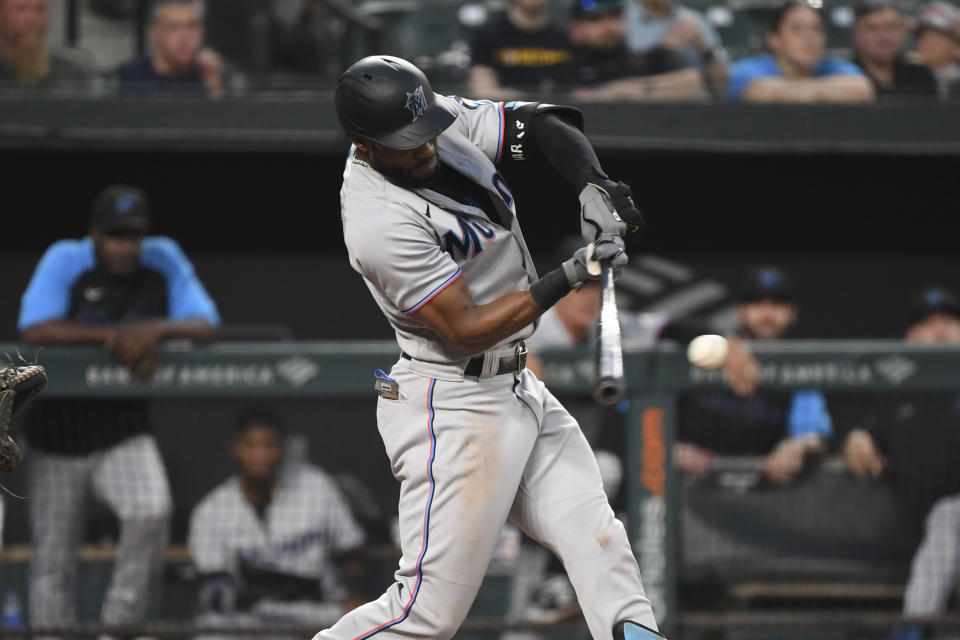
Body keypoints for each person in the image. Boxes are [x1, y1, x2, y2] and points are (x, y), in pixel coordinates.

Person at [326, 55, 666, 640]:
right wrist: (574, 272)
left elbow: (543, 124)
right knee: (424, 616)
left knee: (599, 539)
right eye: (407, 141)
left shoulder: (438, 123)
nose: (426, 145)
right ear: (363, 143)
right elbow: (466, 328)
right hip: (452, 403)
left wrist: (594, 182)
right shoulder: (375, 219)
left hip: (515, 386)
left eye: (426, 128)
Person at [17, 184, 220, 630]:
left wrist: (154, 328)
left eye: (132, 235)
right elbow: (34, 328)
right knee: (53, 557)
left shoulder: (162, 258)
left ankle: (119, 629)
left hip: (123, 433)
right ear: (94, 235)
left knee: (151, 510)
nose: (125, 246)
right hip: (58, 436)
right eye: (114, 235)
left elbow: (206, 324)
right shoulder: (67, 258)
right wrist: (112, 337)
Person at [843, 287, 960, 640]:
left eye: (949, 322)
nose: (939, 332)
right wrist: (858, 436)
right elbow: (867, 430)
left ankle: (912, 630)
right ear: (910, 337)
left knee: (951, 514)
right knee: (947, 520)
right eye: (927, 324)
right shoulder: (898, 394)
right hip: (930, 546)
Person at [189, 408, 367, 630]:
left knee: (355, 623)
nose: (260, 455)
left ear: (281, 448)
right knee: (210, 626)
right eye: (250, 445)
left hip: (315, 611)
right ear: (235, 449)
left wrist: (355, 595)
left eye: (269, 445)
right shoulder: (211, 509)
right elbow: (214, 585)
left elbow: (351, 549)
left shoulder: (315, 486)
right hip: (246, 620)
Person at [676, 266, 832, 483]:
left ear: (793, 313)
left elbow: (813, 433)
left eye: (777, 304)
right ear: (740, 311)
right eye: (757, 303)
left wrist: (798, 446)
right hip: (685, 484)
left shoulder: (797, 368)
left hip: (753, 495)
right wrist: (667, 446)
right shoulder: (707, 350)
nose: (767, 314)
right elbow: (663, 328)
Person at [726, 0, 874, 102]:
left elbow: (862, 88)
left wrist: (795, 91)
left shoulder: (832, 66)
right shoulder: (749, 68)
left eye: (816, 29)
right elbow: (756, 90)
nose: (810, 38)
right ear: (774, 39)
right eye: (797, 29)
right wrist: (826, 91)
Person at [566, 0, 705, 101]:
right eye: (597, 20)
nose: (610, 27)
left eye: (615, 17)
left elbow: (692, 83)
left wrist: (628, 90)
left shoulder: (647, 59)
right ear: (576, 29)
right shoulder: (566, 64)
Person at [116, 0, 225, 97]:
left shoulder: (211, 75)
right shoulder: (129, 77)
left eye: (191, 26)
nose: (184, 37)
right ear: (155, 32)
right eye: (173, 27)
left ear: (201, 32)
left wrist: (215, 90)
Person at [468, 0, 576, 98]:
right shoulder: (488, 36)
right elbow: (483, 91)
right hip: (507, 115)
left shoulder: (563, 38)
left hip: (558, 114)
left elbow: (576, 90)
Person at [623, 0, 728, 95]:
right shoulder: (624, 21)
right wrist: (663, 49)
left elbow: (723, 83)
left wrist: (705, 49)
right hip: (641, 105)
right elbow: (620, 80)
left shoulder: (695, 20)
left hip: (697, 105)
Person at [851, 0, 937, 101]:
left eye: (891, 27)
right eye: (873, 28)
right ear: (856, 34)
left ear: (903, 31)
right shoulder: (845, 76)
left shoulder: (920, 75)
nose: (884, 36)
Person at [0, 0, 94, 92]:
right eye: (21, 9)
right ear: (2, 13)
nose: (32, 19)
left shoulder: (72, 74)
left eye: (40, 9)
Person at [911, 1, 960, 100]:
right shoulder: (907, 75)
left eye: (936, 38)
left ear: (955, 43)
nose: (927, 44)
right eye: (923, 37)